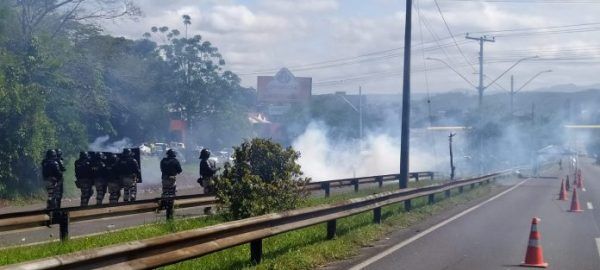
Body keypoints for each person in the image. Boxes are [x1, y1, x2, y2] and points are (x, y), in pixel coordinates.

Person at [199, 148, 219, 215]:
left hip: (207, 179)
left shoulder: (204, 161)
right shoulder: (204, 161)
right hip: (208, 180)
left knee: (210, 193)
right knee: (209, 194)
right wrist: (216, 169)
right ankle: (207, 210)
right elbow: (210, 170)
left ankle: (208, 209)